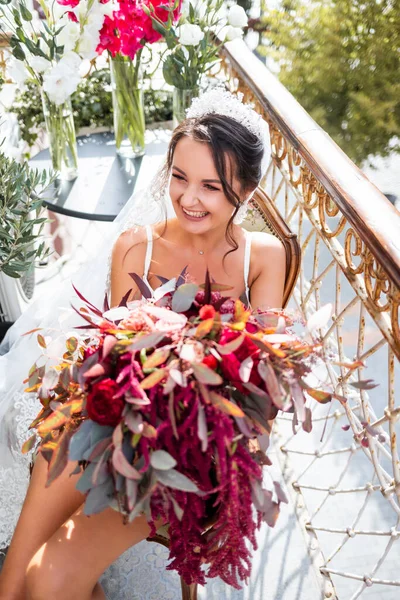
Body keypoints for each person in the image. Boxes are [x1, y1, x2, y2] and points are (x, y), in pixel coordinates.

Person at [0, 89, 286, 600]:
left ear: (246, 188)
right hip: (113, 423)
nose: (189, 198)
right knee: (15, 577)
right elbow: (114, 352)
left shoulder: (262, 258)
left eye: (212, 186)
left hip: (190, 453)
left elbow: (265, 387)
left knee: (47, 580)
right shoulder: (138, 245)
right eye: (179, 177)